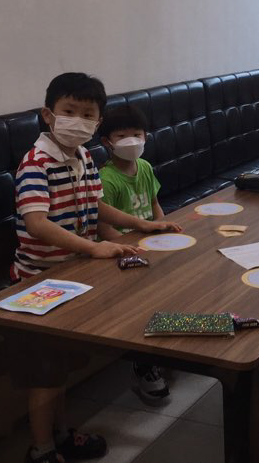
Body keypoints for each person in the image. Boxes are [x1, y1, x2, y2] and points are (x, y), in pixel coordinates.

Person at [12, 72, 177, 463]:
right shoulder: (35, 163)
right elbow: (36, 224)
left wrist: (141, 225)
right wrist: (94, 247)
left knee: (60, 369)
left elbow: (96, 205)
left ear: (98, 122)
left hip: (74, 275)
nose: (78, 121)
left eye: (87, 115)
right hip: (38, 281)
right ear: (48, 115)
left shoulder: (84, 157)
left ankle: (62, 434)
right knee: (45, 374)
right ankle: (42, 449)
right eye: (69, 111)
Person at [98, 103, 181, 406]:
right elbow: (104, 227)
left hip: (149, 243)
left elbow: (155, 205)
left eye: (137, 134)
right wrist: (130, 248)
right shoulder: (106, 178)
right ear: (107, 141)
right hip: (123, 250)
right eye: (122, 136)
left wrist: (162, 229)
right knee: (142, 300)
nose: (131, 141)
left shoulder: (144, 167)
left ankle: (171, 345)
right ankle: (144, 364)